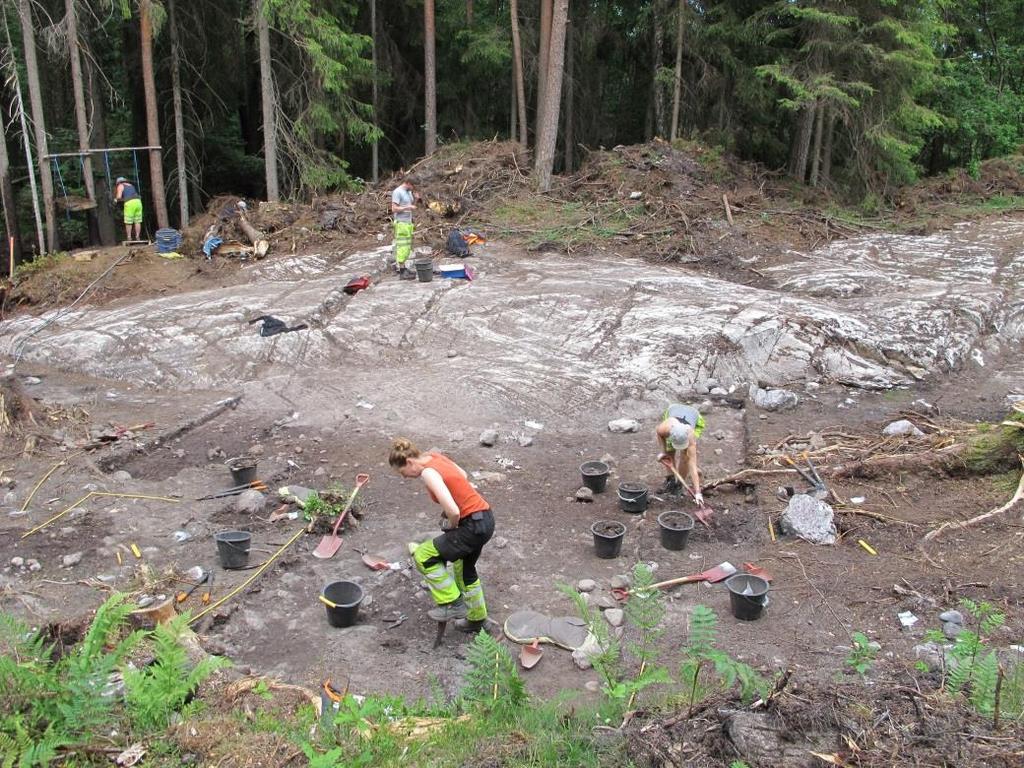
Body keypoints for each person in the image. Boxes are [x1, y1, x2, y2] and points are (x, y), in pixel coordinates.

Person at [389, 438, 495, 631]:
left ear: (410, 462)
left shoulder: (427, 473)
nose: (404, 477)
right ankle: (477, 619)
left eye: (402, 473)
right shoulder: (435, 457)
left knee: (423, 556)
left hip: (470, 525)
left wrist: (452, 527)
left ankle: (454, 604)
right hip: (485, 519)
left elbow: (453, 511)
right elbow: (462, 474)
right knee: (464, 570)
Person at [655, 403, 705, 503]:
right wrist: (663, 452)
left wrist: (698, 493)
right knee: (669, 452)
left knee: (686, 458)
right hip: (674, 411)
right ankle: (671, 480)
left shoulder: (691, 438)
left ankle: (679, 484)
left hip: (693, 415)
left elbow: (692, 464)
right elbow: (659, 435)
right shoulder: (664, 428)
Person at [390, 178, 418, 279]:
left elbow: (410, 204)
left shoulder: (409, 192)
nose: (413, 188)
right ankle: (402, 271)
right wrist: (408, 208)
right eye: (412, 185)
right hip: (401, 223)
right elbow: (394, 209)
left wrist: (416, 199)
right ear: (408, 183)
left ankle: (404, 268)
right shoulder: (397, 192)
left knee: (407, 247)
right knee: (402, 247)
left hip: (408, 223)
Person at [114, 176, 143, 242]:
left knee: (128, 221)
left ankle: (129, 237)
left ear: (118, 182)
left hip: (130, 203)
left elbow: (119, 197)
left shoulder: (120, 185)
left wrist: (115, 199)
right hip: (138, 202)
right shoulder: (131, 185)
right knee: (137, 221)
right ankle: (137, 237)